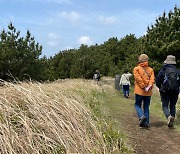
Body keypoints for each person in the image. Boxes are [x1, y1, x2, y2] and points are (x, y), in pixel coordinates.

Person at [156, 55, 180, 128]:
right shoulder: (178, 71)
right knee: (173, 105)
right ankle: (172, 118)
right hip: (175, 91)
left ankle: (168, 116)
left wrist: (160, 88)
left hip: (165, 91)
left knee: (165, 105)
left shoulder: (163, 70)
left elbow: (158, 80)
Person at [133, 54, 155, 127]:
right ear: (147, 60)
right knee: (146, 107)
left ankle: (142, 116)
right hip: (148, 92)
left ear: (139, 60)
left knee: (137, 105)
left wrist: (143, 87)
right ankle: (147, 122)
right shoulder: (151, 70)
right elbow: (152, 80)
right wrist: (148, 86)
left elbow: (138, 79)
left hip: (139, 91)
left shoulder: (136, 69)